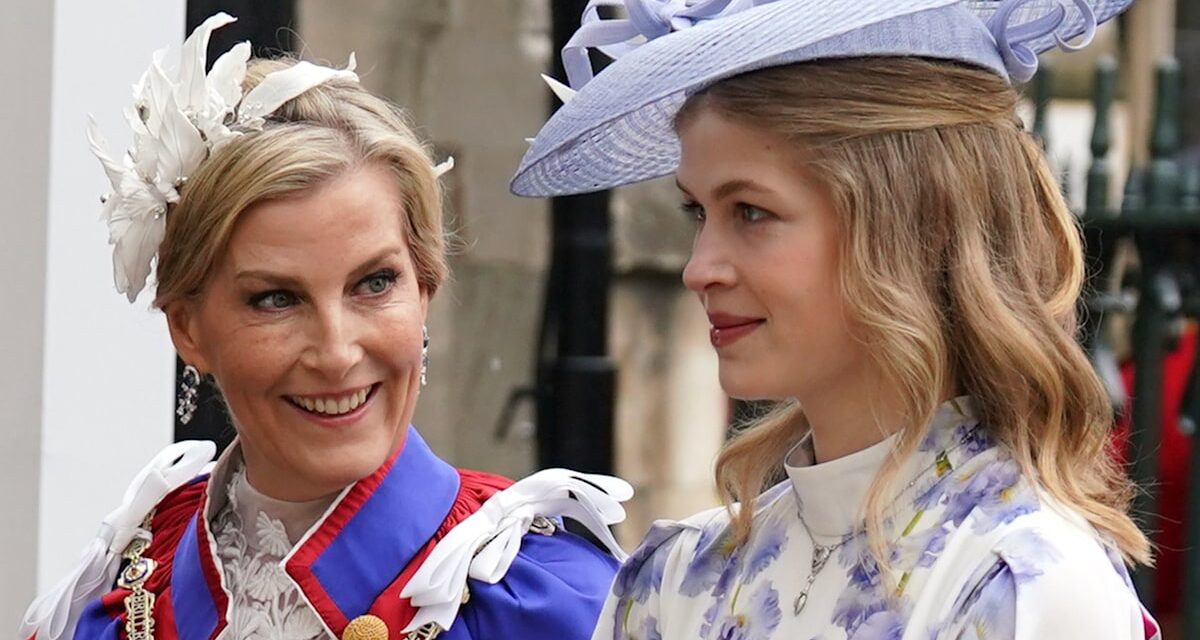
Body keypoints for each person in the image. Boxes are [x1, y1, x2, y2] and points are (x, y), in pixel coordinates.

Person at [513, 0, 1160, 638]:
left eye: (751, 212)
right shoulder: (680, 576)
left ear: (910, 222)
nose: (699, 268)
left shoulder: (1020, 583)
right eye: (698, 214)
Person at [21, 13, 631, 640]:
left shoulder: (548, 604)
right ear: (188, 329)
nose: (336, 354)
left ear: (425, 289)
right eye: (276, 299)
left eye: (374, 283)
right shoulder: (115, 600)